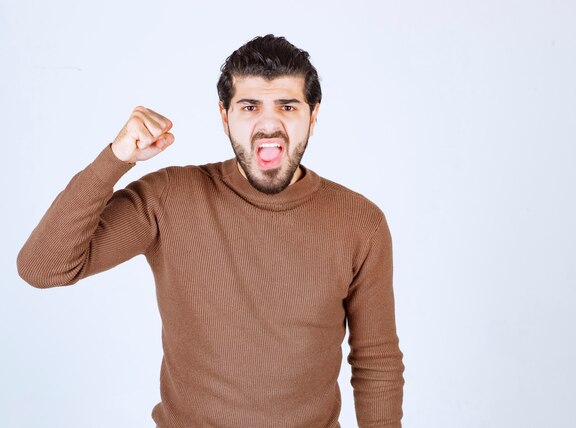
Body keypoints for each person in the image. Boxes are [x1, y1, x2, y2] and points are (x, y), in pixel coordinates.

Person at [17, 34, 405, 427]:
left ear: (313, 115)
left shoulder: (359, 220)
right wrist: (116, 159)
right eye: (249, 106)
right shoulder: (170, 197)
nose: (269, 124)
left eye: (287, 106)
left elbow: (376, 361)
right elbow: (43, 267)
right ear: (224, 117)